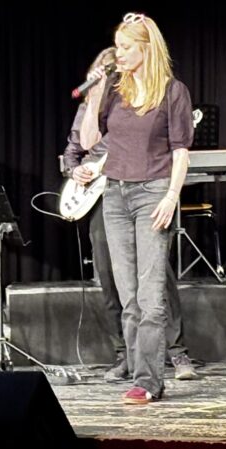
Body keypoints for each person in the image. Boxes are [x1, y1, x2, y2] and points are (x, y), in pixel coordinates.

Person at [62, 46, 198, 383]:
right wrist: (74, 169)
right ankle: (125, 354)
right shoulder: (93, 104)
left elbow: (175, 147)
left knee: (156, 276)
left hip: (141, 185)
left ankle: (176, 352)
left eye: (123, 56)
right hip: (105, 196)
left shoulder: (152, 97)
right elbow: (75, 149)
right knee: (110, 278)